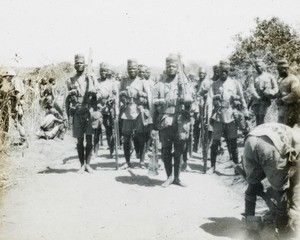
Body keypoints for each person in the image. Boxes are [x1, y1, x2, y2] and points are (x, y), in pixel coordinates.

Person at [243, 122, 299, 238]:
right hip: (271, 145)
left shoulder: (287, 129)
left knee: (253, 185)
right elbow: (295, 172)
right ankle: (284, 233)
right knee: (281, 192)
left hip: (250, 139)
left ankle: (250, 228)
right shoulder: (297, 138)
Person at [152, 54, 194, 187]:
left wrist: (187, 99)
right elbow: (153, 104)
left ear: (177, 68)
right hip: (165, 120)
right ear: (165, 67)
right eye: (168, 65)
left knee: (179, 149)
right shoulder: (159, 84)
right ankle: (169, 176)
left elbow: (192, 101)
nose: (171, 68)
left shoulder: (185, 83)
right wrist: (153, 124)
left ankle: (177, 177)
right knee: (166, 149)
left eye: (173, 66)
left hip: (181, 120)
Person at [207, 61, 248, 173]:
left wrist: (245, 112)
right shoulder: (214, 84)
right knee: (215, 142)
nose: (224, 73)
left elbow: (242, 98)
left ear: (228, 71)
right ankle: (212, 166)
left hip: (231, 115)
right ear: (219, 72)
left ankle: (236, 167)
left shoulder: (235, 83)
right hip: (218, 116)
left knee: (233, 142)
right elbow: (209, 101)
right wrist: (208, 116)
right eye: (222, 71)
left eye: (226, 71)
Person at [66, 54, 97, 173]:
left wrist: (91, 82)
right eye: (77, 63)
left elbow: (97, 94)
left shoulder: (91, 77)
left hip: (88, 112)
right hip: (77, 113)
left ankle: (88, 164)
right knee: (79, 140)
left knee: (89, 139)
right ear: (74, 65)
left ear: (85, 64)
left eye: (81, 63)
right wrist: (68, 116)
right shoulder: (70, 80)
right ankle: (81, 164)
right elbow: (67, 100)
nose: (79, 65)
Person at [119, 59, 152, 169]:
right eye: (129, 69)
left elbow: (148, 97)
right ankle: (127, 162)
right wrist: (123, 94)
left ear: (137, 69)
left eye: (133, 68)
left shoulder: (142, 81)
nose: (131, 70)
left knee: (141, 137)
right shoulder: (123, 81)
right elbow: (119, 94)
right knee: (126, 138)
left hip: (139, 111)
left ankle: (142, 161)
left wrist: (139, 94)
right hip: (127, 111)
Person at [94, 62, 119, 157]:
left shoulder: (111, 83)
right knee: (96, 130)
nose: (103, 72)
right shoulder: (96, 82)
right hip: (98, 109)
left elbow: (115, 96)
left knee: (109, 131)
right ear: (99, 71)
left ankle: (111, 151)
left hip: (107, 110)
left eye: (105, 71)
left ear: (107, 72)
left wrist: (112, 102)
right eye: (101, 71)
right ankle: (95, 152)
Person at [0, 68, 26, 145]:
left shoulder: (16, 81)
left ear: (8, 76)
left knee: (17, 123)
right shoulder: (15, 81)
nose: (6, 79)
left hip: (18, 104)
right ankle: (23, 140)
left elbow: (18, 95)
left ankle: (24, 140)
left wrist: (16, 106)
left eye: (6, 77)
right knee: (18, 123)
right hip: (19, 104)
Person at [249, 60, 278, 125]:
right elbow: (251, 88)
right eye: (256, 67)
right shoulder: (253, 76)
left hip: (265, 100)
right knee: (257, 118)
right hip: (255, 101)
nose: (257, 68)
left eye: (259, 66)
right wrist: (257, 96)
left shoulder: (269, 76)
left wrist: (271, 93)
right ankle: (258, 132)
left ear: (263, 67)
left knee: (262, 118)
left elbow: (276, 88)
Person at [276, 59, 300, 127]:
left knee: (288, 129)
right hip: (283, 110)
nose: (278, 72)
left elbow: (296, 94)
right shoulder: (282, 80)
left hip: (291, 110)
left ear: (285, 69)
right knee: (281, 129)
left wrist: (283, 100)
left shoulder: (293, 79)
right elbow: (280, 93)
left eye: (279, 70)